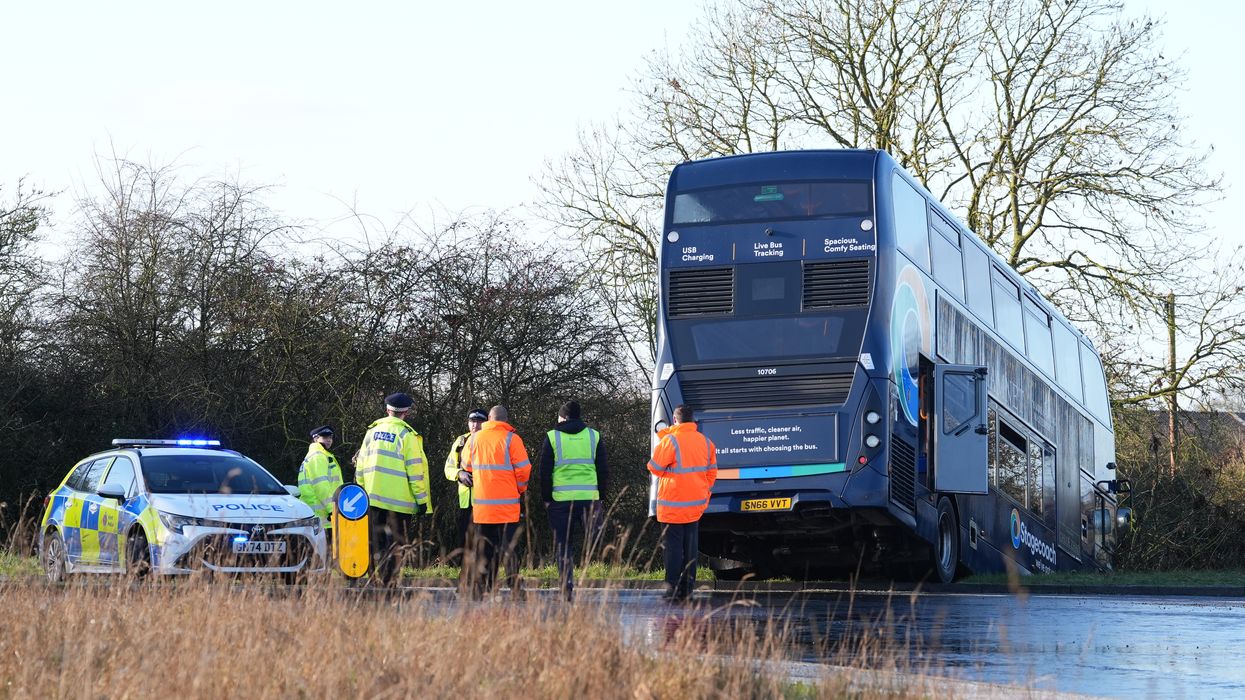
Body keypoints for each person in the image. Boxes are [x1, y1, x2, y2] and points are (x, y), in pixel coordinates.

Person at [355, 392, 432, 585]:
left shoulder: (372, 432)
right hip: (400, 504)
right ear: (406, 412)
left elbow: (360, 466)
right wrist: (422, 500)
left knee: (375, 542)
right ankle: (389, 583)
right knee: (396, 546)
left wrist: (361, 492)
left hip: (372, 499)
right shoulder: (407, 435)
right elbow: (415, 471)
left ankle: (373, 579)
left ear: (387, 410)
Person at [537, 399, 608, 601]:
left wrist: (547, 498)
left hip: (560, 501)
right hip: (589, 500)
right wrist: (601, 497)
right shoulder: (594, 436)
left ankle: (566, 588)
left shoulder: (552, 437)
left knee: (563, 544)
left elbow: (544, 472)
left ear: (563, 417)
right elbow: (603, 470)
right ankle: (588, 583)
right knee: (591, 544)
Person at [647, 404, 717, 603]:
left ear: (675, 420)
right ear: (693, 420)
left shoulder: (670, 440)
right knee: (691, 550)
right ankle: (687, 590)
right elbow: (712, 473)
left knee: (673, 550)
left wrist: (665, 435)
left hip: (672, 505)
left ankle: (672, 590)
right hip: (695, 506)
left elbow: (654, 467)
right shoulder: (706, 442)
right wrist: (703, 492)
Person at [461, 404, 530, 599]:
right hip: (508, 507)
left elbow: (466, 466)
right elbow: (524, 470)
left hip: (483, 507)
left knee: (484, 549)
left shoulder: (474, 439)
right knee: (510, 549)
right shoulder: (512, 439)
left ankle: (481, 589)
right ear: (505, 420)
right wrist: (520, 489)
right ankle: (515, 589)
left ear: (489, 419)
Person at [443, 407, 487, 564]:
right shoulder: (461, 441)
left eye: (479, 422)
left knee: (483, 540)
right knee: (464, 538)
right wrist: (459, 474)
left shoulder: (490, 440)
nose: (475, 425)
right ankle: (462, 567)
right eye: (472, 421)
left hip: (486, 499)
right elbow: (448, 468)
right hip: (465, 500)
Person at [297, 425, 344, 545]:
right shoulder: (318, 456)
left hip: (319, 513)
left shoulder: (318, 455)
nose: (329, 440)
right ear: (315, 438)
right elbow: (321, 486)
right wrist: (332, 509)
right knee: (327, 551)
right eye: (325, 437)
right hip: (323, 515)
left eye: (330, 437)